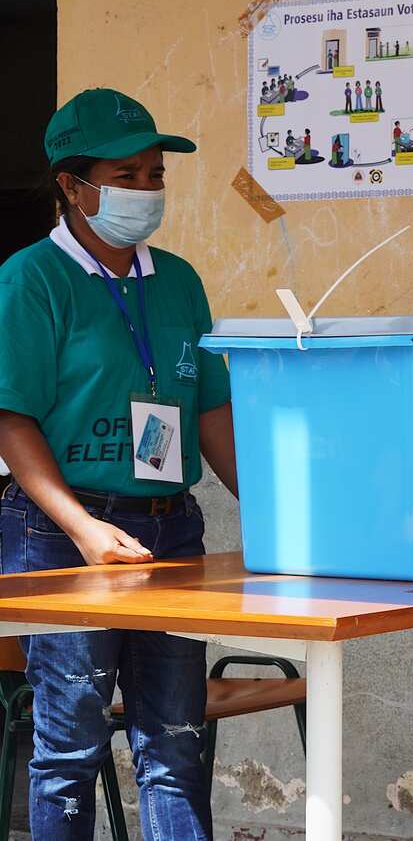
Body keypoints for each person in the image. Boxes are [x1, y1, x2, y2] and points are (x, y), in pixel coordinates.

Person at [0, 88, 237, 839]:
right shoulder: (32, 279)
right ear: (71, 186)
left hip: (171, 530)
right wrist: (81, 529)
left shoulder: (180, 282)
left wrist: (280, 512)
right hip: (59, 530)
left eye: (155, 175)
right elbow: (10, 418)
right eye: (125, 175)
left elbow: (210, 413)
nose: (145, 191)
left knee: (175, 744)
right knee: (68, 745)